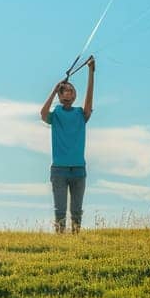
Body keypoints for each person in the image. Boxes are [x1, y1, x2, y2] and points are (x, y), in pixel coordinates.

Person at [40, 56, 94, 234]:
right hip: (59, 170)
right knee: (60, 211)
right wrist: (54, 88)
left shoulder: (81, 114)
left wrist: (90, 72)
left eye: (71, 90)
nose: (69, 92)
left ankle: (75, 240)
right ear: (60, 95)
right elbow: (43, 113)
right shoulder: (55, 114)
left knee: (77, 211)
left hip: (79, 169)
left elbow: (89, 102)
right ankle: (61, 240)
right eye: (65, 90)